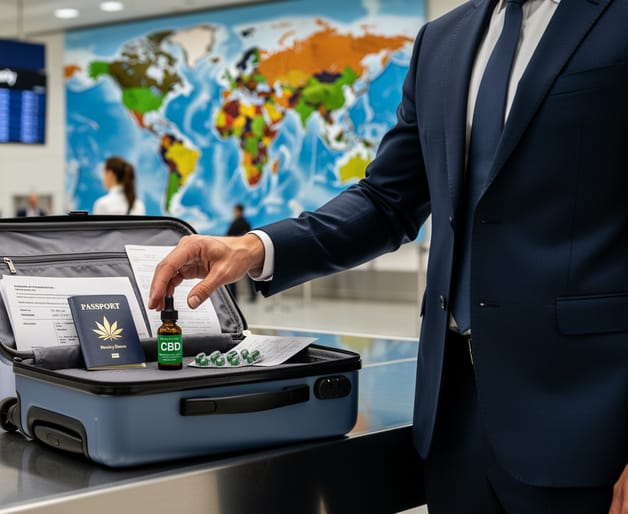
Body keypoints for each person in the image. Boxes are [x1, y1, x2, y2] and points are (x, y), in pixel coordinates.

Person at [149, 1, 628, 512]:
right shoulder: (441, 41)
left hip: (588, 421)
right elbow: (387, 200)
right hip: (452, 419)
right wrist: (254, 247)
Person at [224, 204, 255, 302]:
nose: (234, 212)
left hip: (235, 252)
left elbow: (229, 237)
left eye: (235, 210)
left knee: (233, 276)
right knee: (249, 276)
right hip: (246, 252)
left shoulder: (235, 223)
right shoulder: (247, 223)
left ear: (239, 211)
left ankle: (234, 297)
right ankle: (253, 296)